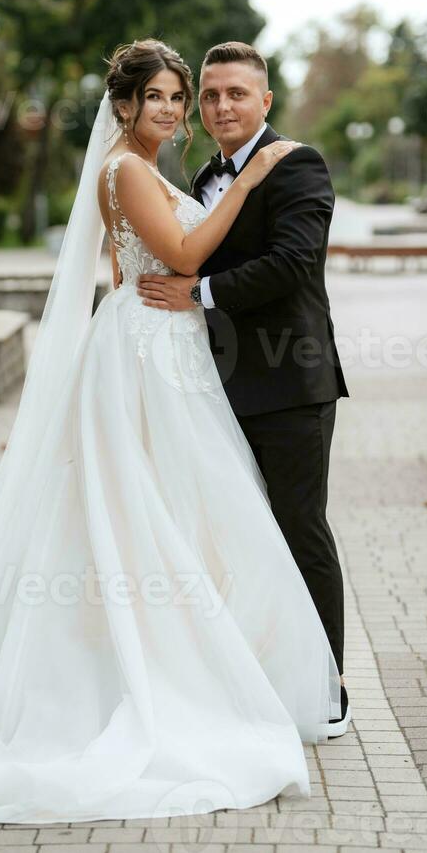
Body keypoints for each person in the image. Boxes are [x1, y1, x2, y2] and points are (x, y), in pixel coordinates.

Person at [0, 39, 341, 827]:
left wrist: (213, 238)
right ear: (124, 106)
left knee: (185, 515)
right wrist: (245, 183)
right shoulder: (126, 170)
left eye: (185, 98)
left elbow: (177, 262)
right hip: (146, 352)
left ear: (258, 101)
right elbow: (177, 253)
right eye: (164, 98)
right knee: (136, 511)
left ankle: (240, 671)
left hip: (172, 351)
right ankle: (136, 676)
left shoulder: (167, 170)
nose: (180, 111)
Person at [137, 41, 351, 737]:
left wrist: (195, 292)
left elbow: (292, 263)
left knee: (299, 531)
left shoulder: (298, 165)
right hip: (217, 389)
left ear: (265, 101)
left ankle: (326, 688)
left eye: (236, 93)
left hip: (291, 381)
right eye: (211, 95)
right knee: (240, 537)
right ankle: (261, 673)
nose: (221, 105)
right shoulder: (203, 173)